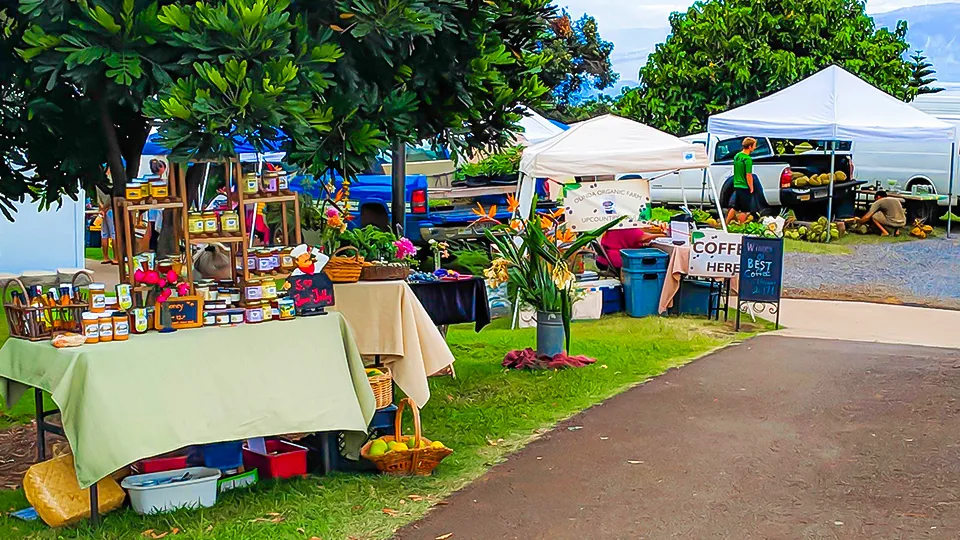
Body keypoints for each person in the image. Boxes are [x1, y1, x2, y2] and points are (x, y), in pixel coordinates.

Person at [596, 228, 665, 272]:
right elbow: (643, 238)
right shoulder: (627, 227)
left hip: (604, 259)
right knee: (652, 264)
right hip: (616, 261)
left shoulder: (615, 227)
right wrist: (664, 235)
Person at [726, 137, 757, 224]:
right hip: (744, 186)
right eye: (754, 146)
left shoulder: (737, 156)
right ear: (750, 146)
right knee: (745, 210)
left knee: (735, 207)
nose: (755, 148)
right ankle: (741, 225)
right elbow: (748, 175)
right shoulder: (747, 159)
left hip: (736, 184)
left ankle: (726, 223)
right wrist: (751, 187)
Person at [99, 199, 117, 264]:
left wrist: (102, 209)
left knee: (104, 234)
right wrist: (105, 208)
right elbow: (109, 199)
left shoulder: (98, 192)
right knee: (114, 233)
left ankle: (105, 257)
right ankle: (116, 258)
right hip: (110, 209)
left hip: (102, 211)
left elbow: (99, 200)